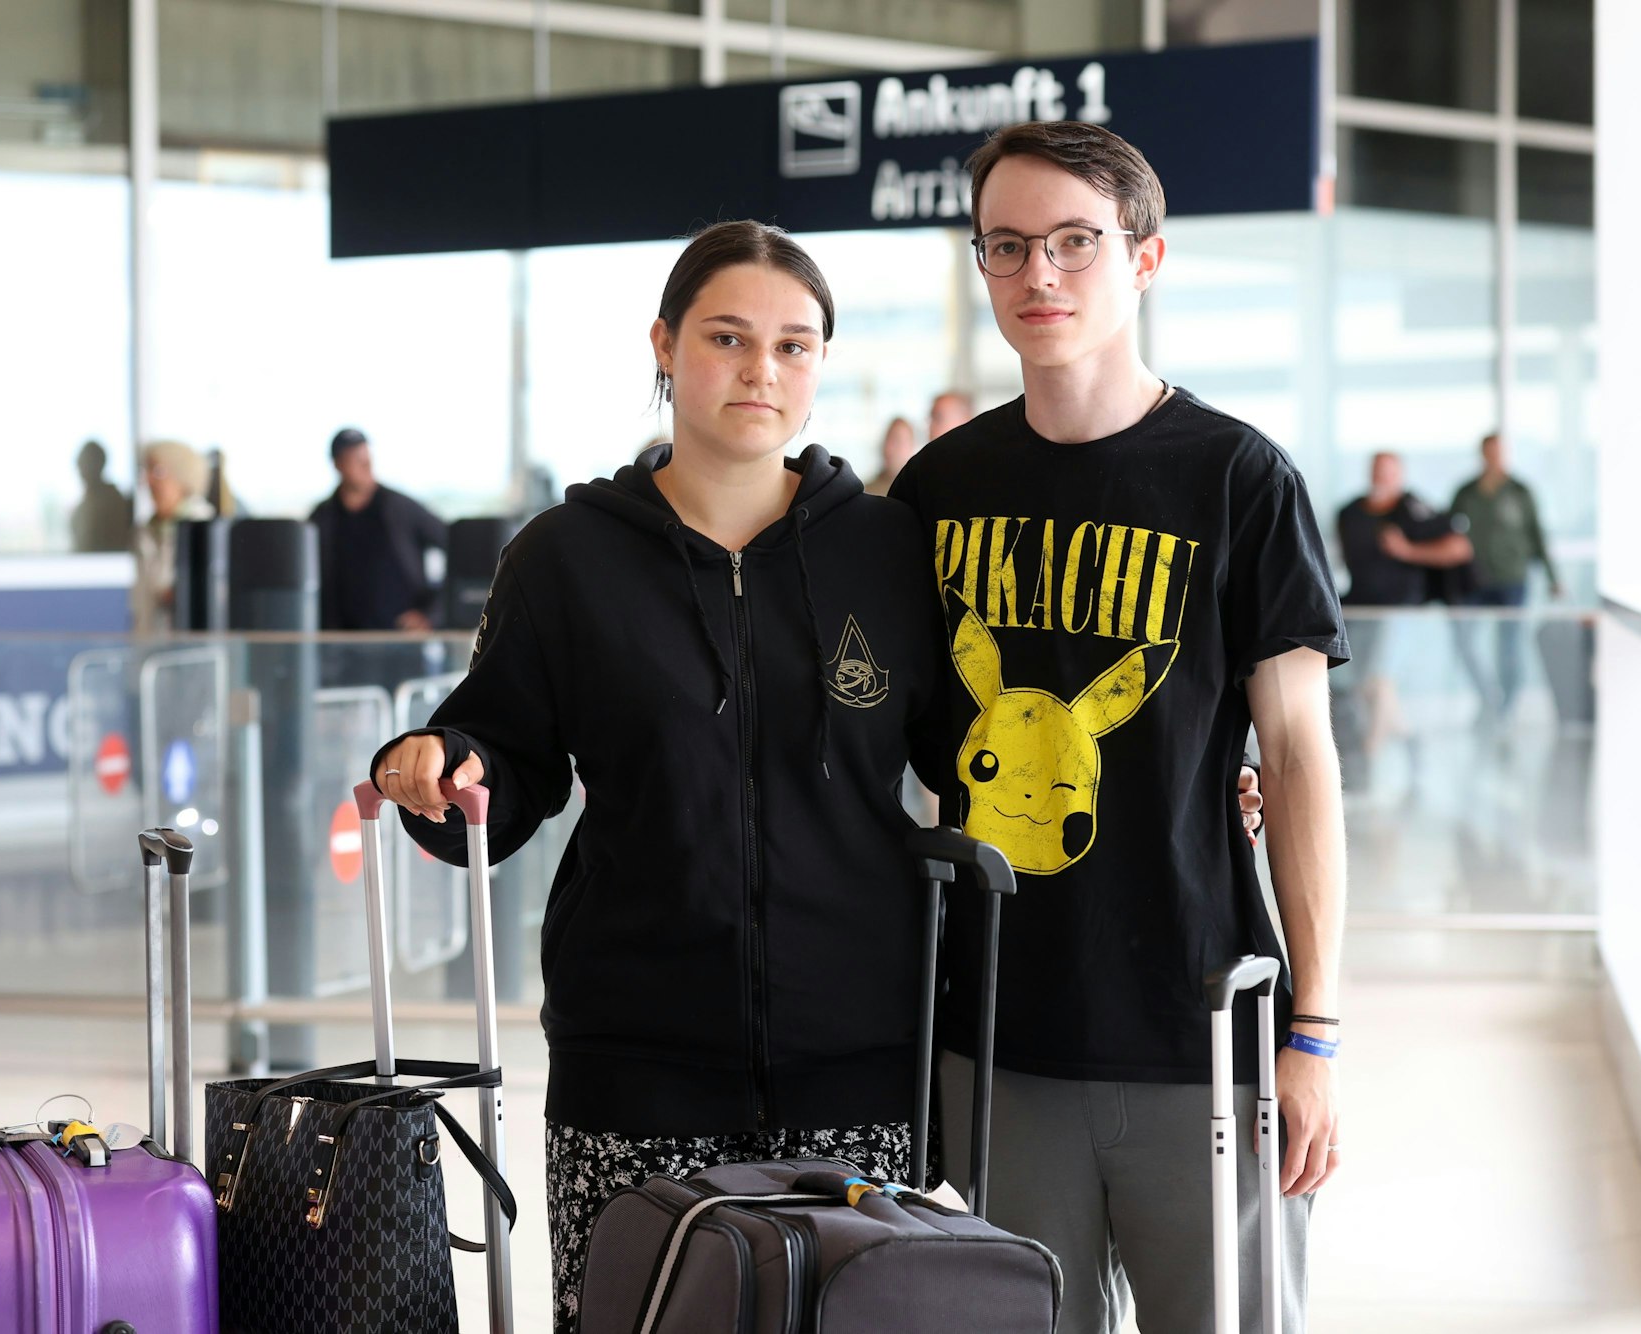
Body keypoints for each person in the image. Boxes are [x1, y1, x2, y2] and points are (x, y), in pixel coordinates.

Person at [372, 221, 1264, 1334]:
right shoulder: (564, 557)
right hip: (635, 1070)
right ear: (663, 343)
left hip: (857, 1070)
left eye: (794, 346)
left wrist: (1193, 763)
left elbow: (974, 748)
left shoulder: (886, 550)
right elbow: (504, 753)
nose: (761, 370)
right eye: (728, 337)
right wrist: (440, 766)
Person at [887, 120, 1348, 1334]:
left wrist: (1317, 1031)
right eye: (1005, 245)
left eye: (1073, 242)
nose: (1036, 274)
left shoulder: (1238, 480)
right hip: (995, 1038)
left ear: (1142, 259)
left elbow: (1297, 758)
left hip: (1204, 1029)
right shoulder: (934, 494)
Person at [1336, 451, 1474, 762]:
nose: (1382, 478)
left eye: (1389, 472)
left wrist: (1407, 550)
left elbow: (1459, 548)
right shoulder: (1349, 512)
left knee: (1378, 681)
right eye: (1377, 471)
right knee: (1363, 686)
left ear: (1399, 475)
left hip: (1399, 611)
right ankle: (1408, 744)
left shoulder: (1413, 509)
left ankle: (1370, 754)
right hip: (1359, 611)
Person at [1449, 432, 1561, 719]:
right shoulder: (1466, 492)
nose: (1495, 457)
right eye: (1490, 451)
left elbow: (1537, 535)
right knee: (1463, 640)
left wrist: (1553, 578)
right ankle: (1488, 696)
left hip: (1512, 579)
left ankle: (1506, 708)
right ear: (1482, 454)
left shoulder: (1520, 492)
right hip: (1474, 580)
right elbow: (1448, 533)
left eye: (1500, 452)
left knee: (1509, 646)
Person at [308, 427, 450, 632]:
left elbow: (456, 547)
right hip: (339, 643)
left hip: (401, 638)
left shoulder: (400, 508)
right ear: (338, 464)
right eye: (356, 459)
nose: (366, 465)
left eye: (367, 457)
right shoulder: (323, 517)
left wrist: (432, 612)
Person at [130, 439, 214, 634]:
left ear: (182, 478)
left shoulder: (204, 528)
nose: (148, 481)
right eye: (146, 471)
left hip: (189, 648)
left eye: (157, 472)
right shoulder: (145, 530)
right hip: (149, 643)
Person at [69, 439, 133, 553]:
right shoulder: (81, 508)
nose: (82, 471)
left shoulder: (114, 502)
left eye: (87, 464)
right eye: (81, 465)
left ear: (99, 465)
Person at [863, 414, 918, 495]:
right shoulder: (866, 492)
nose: (889, 448)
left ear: (912, 446)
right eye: (887, 440)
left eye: (897, 441)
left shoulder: (919, 491)